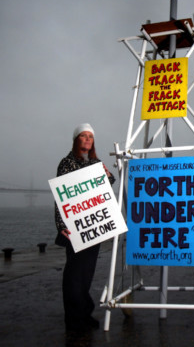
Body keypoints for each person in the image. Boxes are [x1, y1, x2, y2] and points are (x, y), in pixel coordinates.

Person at [54, 123, 115, 331]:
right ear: (76, 140)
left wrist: (108, 175)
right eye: (83, 136)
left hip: (94, 226)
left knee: (87, 273)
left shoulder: (96, 162)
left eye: (90, 136)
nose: (88, 139)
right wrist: (61, 225)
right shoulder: (67, 163)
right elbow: (61, 196)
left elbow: (105, 187)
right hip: (75, 227)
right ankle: (73, 318)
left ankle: (84, 313)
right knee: (74, 273)